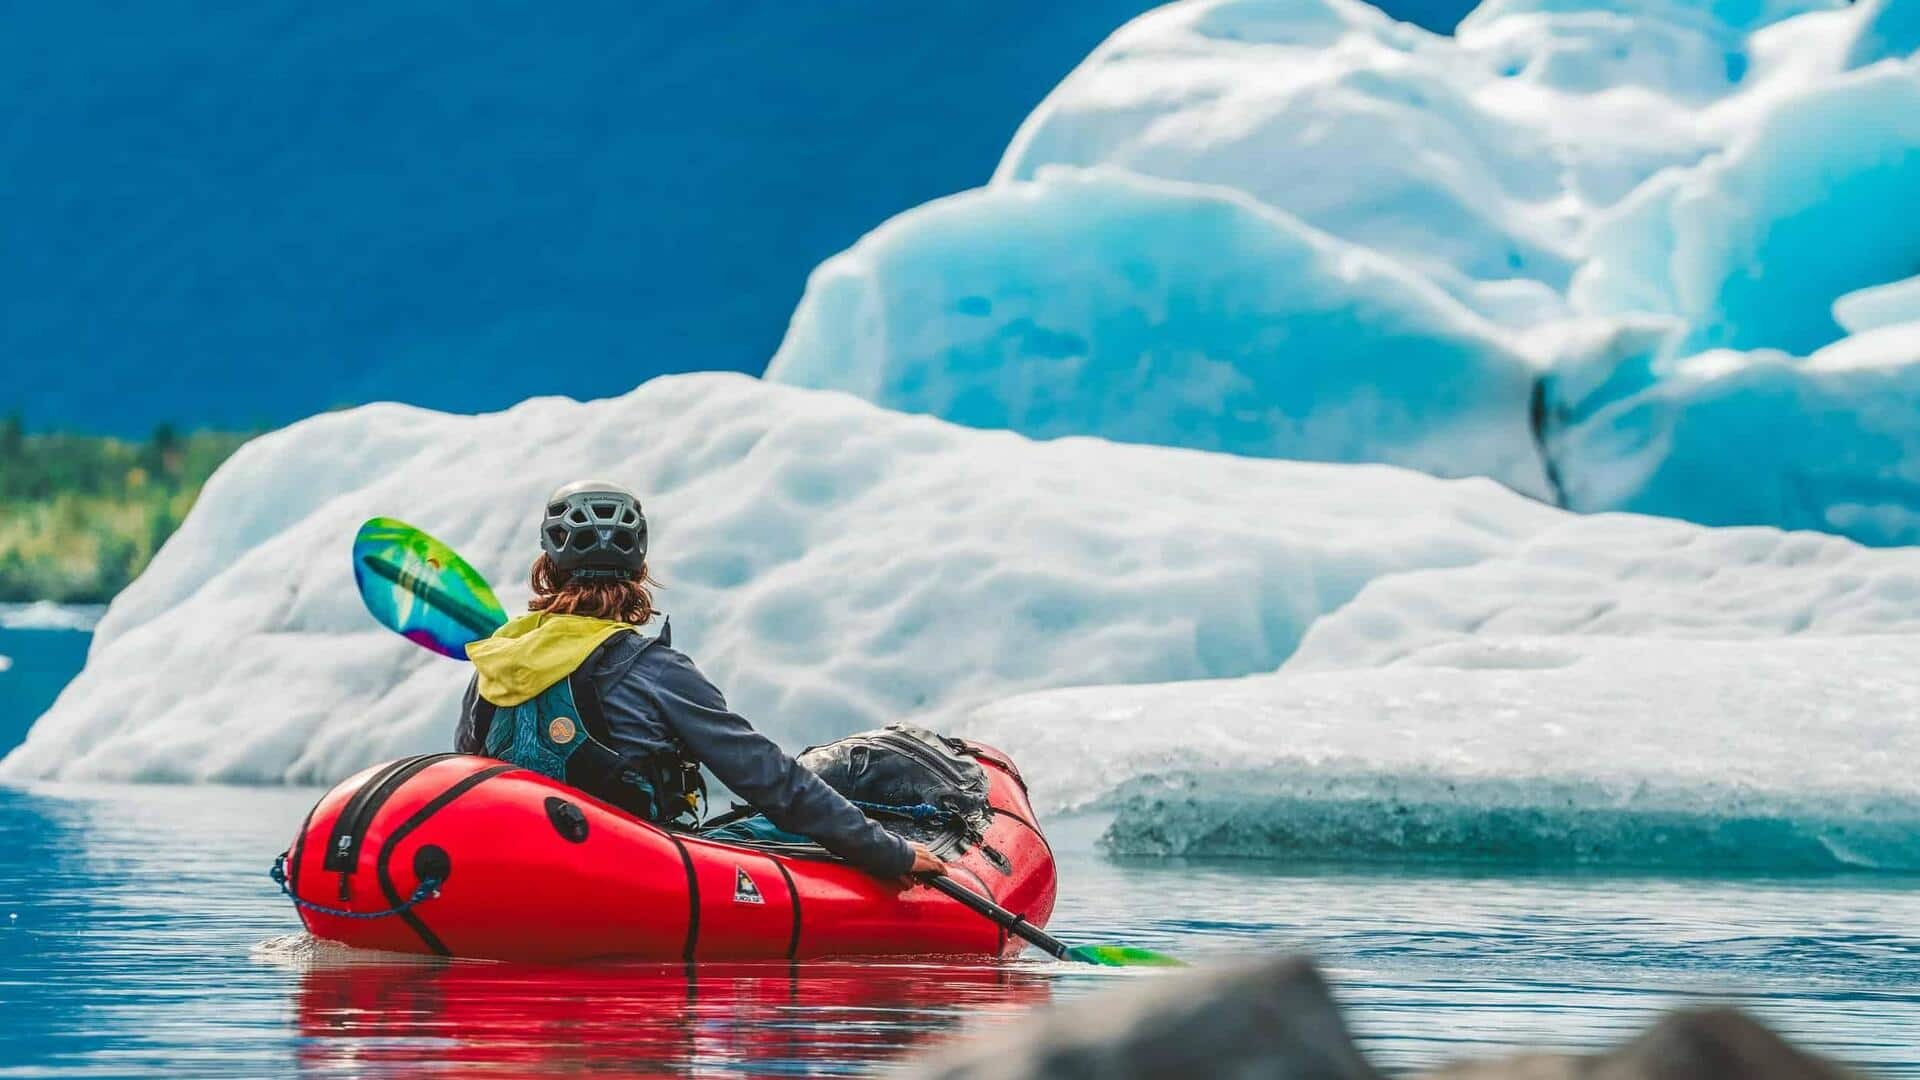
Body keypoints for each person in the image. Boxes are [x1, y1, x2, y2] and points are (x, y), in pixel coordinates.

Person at [456, 480, 947, 884]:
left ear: (546, 568)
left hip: (508, 871)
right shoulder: (654, 669)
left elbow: (470, 781)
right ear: (640, 571)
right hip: (630, 875)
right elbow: (767, 776)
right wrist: (885, 852)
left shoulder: (494, 665)